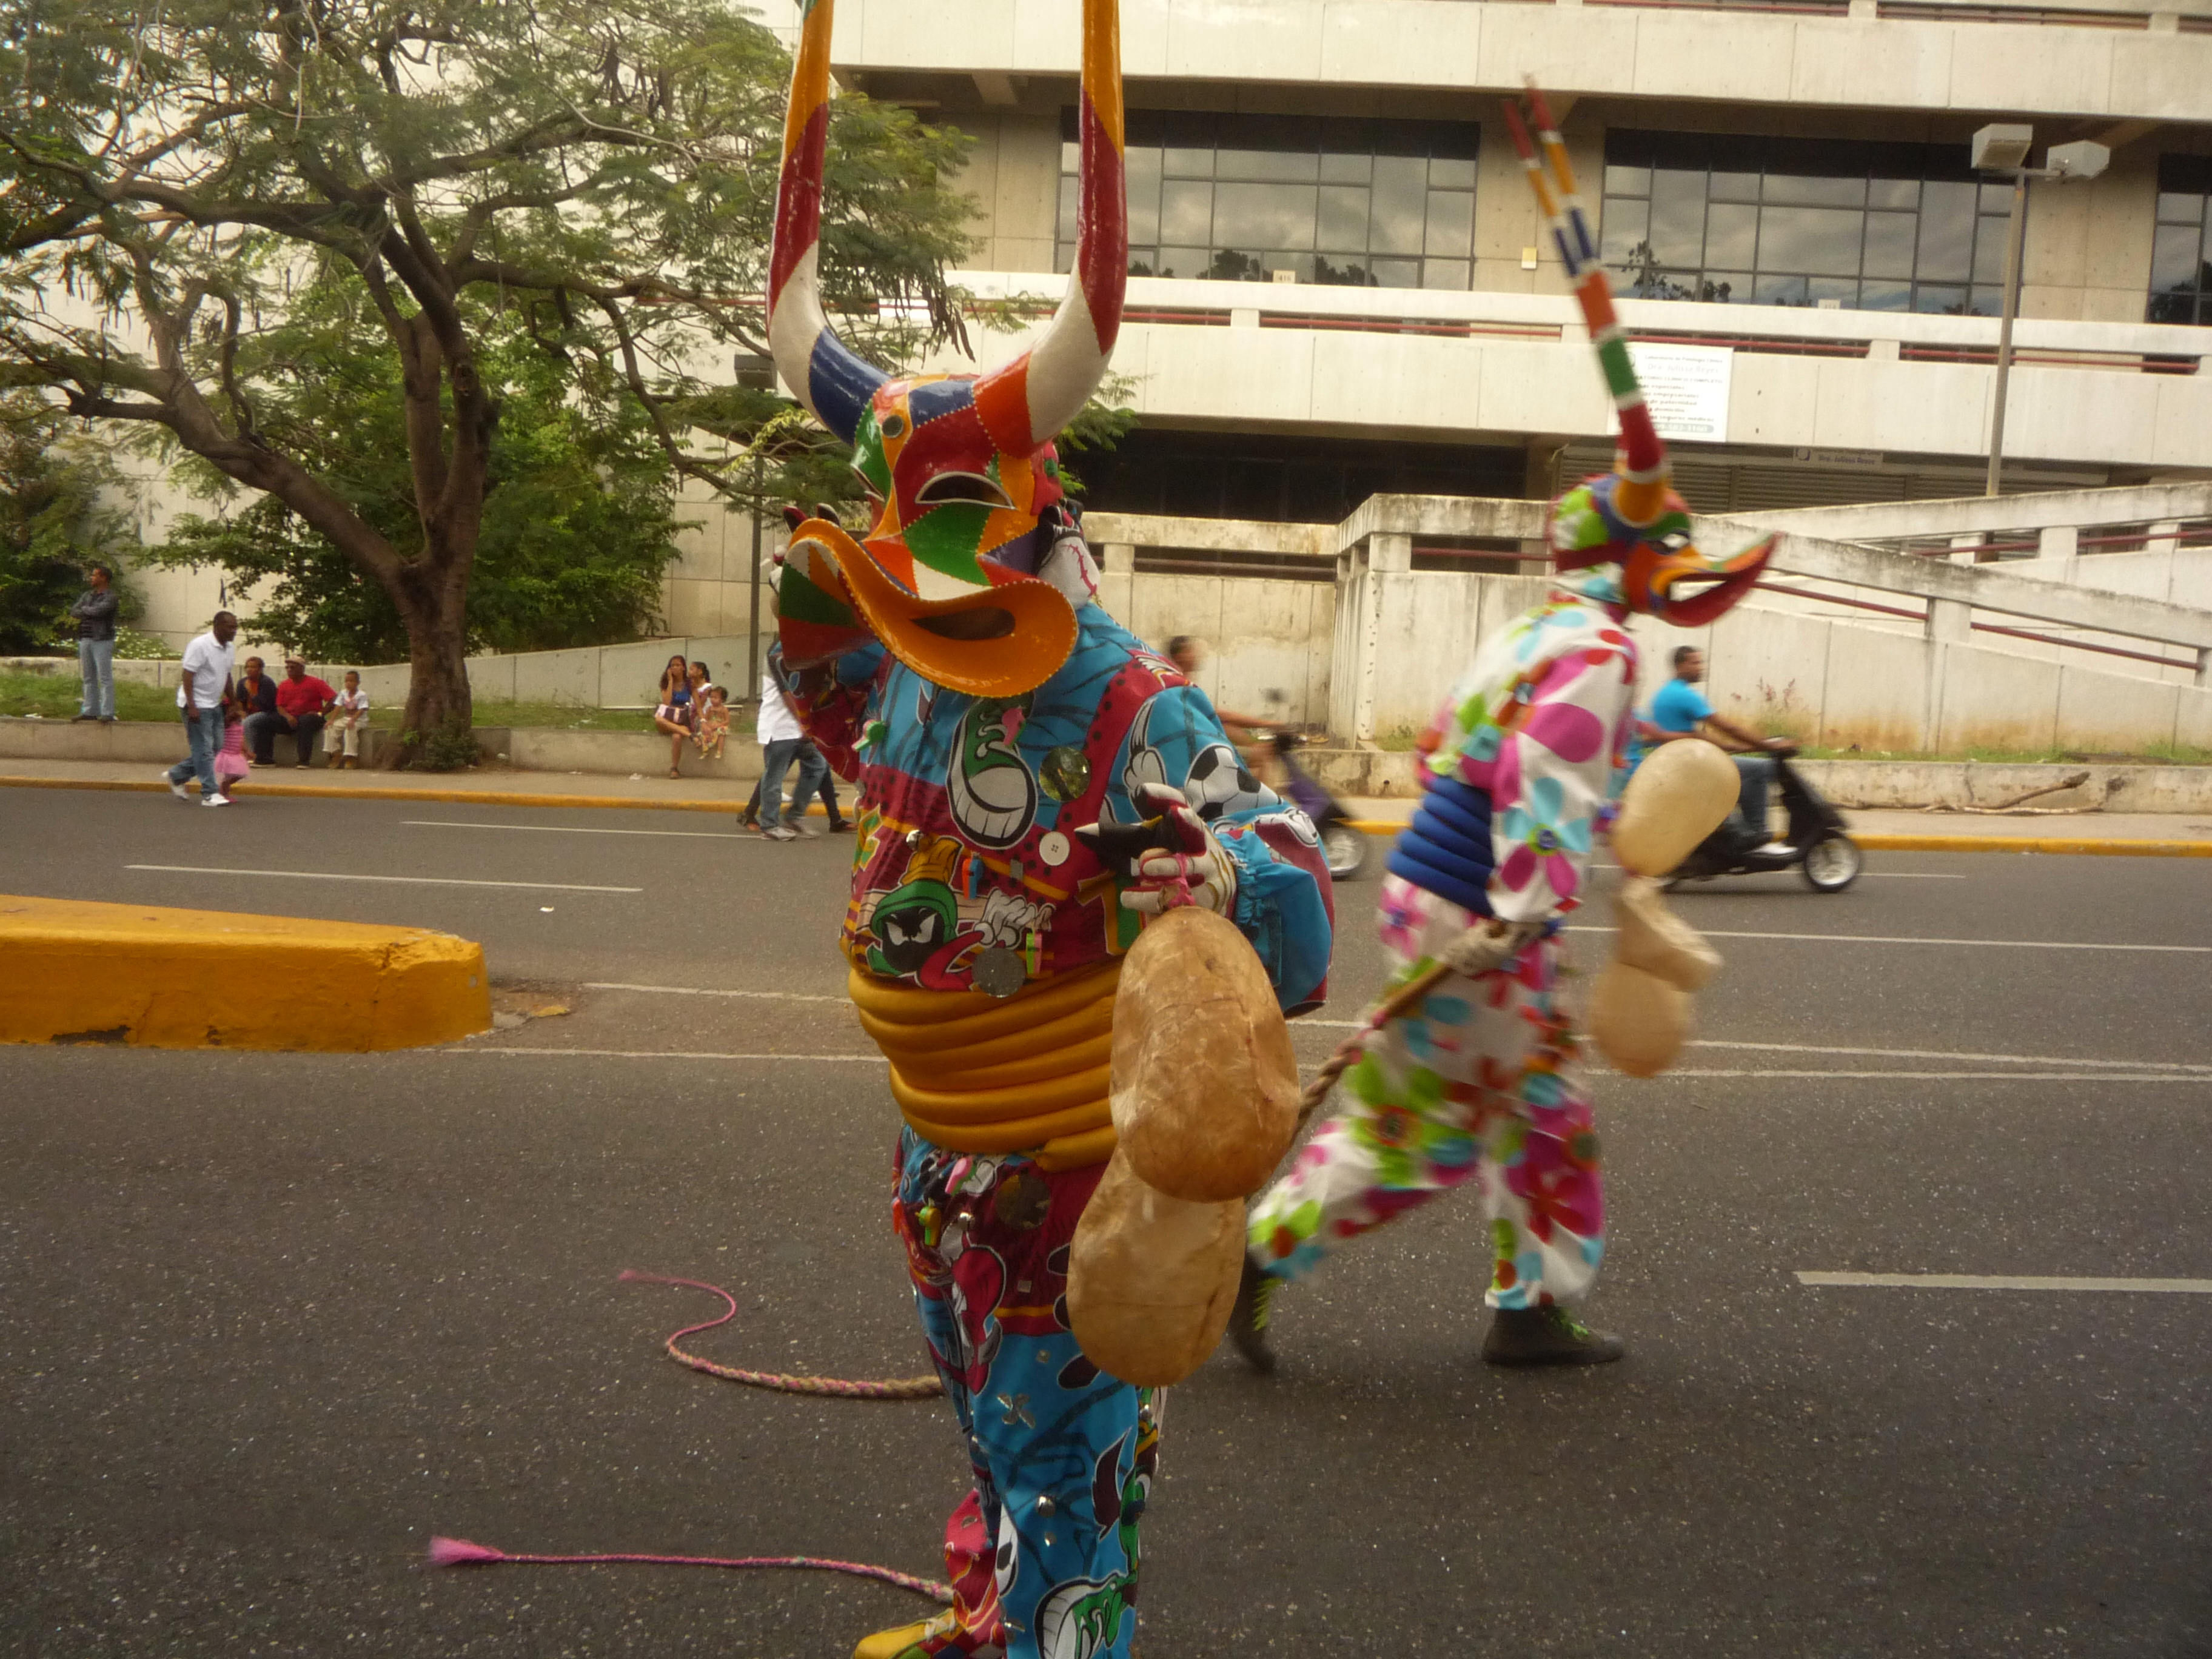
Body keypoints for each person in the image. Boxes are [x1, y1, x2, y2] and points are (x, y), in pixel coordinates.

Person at [762, 4, 1333, 1642]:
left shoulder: (1127, 700)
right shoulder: (919, 660)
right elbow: (842, 726)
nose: (926, 601)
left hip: (1072, 1175)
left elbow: (1296, 911)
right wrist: (823, 607)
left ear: (1041, 524)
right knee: (988, 1445)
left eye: (954, 560)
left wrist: (1206, 885)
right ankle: (982, 1619)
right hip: (937, 1150)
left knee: (1075, 1496)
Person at [1232, 83, 1777, 1376]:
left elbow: (1444, 750)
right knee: (1423, 1129)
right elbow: (1534, 777)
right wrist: (1528, 911)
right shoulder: (1591, 654)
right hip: (1480, 909)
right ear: (1638, 560)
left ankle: (1532, 1303)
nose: (1676, 574)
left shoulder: (1532, 632)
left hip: (1449, 893)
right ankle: (1268, 1244)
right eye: (1667, 555)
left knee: (1541, 1109)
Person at [1644, 645, 1792, 852]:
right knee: (1759, 769)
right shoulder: (1684, 695)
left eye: (1701, 662)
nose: (1701, 667)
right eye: (1695, 663)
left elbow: (1700, 737)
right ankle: (1758, 834)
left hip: (1680, 764)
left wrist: (1742, 748)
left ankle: (1738, 827)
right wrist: (1769, 745)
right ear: (1680, 666)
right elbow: (1727, 727)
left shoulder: (1664, 694)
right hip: (1691, 768)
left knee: (1745, 770)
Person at [162, 610, 239, 806]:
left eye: (235, 627)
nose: (234, 631)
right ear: (217, 626)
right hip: (196, 704)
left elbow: (226, 675)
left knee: (216, 747)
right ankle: (209, 794)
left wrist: (234, 703)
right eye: (230, 627)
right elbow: (188, 676)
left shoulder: (229, 648)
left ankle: (177, 775)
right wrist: (192, 706)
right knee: (203, 749)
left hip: (214, 704)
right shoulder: (200, 645)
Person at [753, 666, 825, 842]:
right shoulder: (776, 655)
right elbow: (787, 693)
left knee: (817, 765)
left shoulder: (797, 655)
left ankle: (795, 816)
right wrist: (803, 721)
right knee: (774, 776)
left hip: (795, 730)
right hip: (779, 728)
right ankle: (769, 826)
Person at [256, 657, 335, 768]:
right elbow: (279, 706)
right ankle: (264, 759)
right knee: (264, 721)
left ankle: (304, 761)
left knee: (305, 721)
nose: (289, 670)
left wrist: (321, 713)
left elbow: (334, 699)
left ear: (302, 669)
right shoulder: (284, 685)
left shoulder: (316, 683)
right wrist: (288, 716)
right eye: (287, 667)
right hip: (290, 718)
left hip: (312, 717)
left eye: (292, 667)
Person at [68, 565, 120, 723]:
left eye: (94, 575)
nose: (91, 578)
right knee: (88, 677)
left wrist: (86, 610)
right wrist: (88, 610)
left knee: (104, 677)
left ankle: (107, 712)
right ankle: (90, 710)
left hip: (102, 639)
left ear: (103, 578)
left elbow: (100, 611)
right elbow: (74, 611)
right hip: (85, 639)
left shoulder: (111, 597)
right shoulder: (88, 595)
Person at [653, 653, 694, 778]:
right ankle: (690, 735)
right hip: (668, 717)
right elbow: (666, 702)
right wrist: (670, 681)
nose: (675, 668)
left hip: (682, 719)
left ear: (683, 668)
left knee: (677, 737)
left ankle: (674, 769)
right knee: (659, 719)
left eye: (678, 665)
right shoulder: (666, 683)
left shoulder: (689, 684)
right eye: (672, 665)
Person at [233, 657, 280, 760]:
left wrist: (251, 692)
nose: (249, 670)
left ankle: (251, 754)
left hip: (267, 713)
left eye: (253, 667)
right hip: (248, 712)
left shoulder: (266, 682)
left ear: (260, 669)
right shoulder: (242, 682)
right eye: (248, 667)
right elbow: (240, 700)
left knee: (249, 722)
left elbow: (267, 705)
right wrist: (241, 712)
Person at [323, 671, 370, 767]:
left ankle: (351, 756)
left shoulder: (362, 695)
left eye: (351, 681)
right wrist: (331, 720)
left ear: (357, 683)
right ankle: (336, 753)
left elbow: (362, 709)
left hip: (359, 720)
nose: (348, 683)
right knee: (330, 728)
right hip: (346, 718)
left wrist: (353, 720)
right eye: (346, 681)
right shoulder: (343, 693)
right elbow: (338, 706)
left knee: (350, 730)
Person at [213, 695, 252, 797]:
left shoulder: (239, 723)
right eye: (236, 709)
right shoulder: (226, 722)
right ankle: (224, 793)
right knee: (229, 775)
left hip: (236, 754)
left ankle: (224, 791)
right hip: (227, 753)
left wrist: (246, 750)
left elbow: (241, 738)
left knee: (239, 774)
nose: (240, 711)